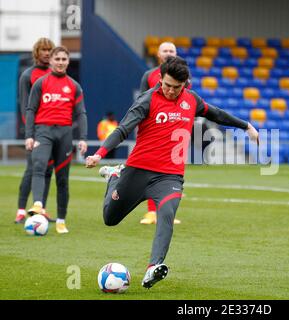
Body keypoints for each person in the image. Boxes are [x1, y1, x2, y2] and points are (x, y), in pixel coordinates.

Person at [85, 56, 258, 288]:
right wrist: (100, 153)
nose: (171, 91)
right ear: (160, 79)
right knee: (110, 219)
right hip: (137, 171)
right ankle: (115, 177)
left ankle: (153, 268)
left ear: (185, 84)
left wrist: (246, 126)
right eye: (167, 85)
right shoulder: (146, 101)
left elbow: (215, 113)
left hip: (169, 176)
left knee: (166, 214)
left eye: (176, 87)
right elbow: (123, 129)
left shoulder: (191, 99)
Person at [25, 46, 88, 234]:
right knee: (39, 165)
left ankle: (61, 220)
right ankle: (37, 205)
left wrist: (83, 138)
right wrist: (29, 135)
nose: (60, 62)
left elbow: (81, 114)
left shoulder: (74, 86)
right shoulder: (41, 83)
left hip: (65, 134)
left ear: (68, 62)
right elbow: (30, 109)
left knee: (62, 179)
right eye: (57, 59)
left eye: (64, 59)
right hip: (43, 131)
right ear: (50, 61)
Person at [139, 41, 183, 225]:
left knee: (172, 173)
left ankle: (166, 212)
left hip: (175, 133)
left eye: (171, 50)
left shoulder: (183, 76)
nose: (168, 53)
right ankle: (151, 212)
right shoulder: (149, 75)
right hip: (153, 130)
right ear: (158, 54)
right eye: (165, 50)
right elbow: (141, 101)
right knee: (151, 169)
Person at [15, 37, 56, 224]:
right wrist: (30, 133)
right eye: (43, 50)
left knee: (47, 170)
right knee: (32, 169)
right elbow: (25, 108)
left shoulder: (55, 74)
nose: (47, 53)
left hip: (53, 131)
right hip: (36, 131)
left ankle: (41, 208)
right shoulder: (27, 76)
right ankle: (21, 210)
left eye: (49, 50)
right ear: (36, 53)